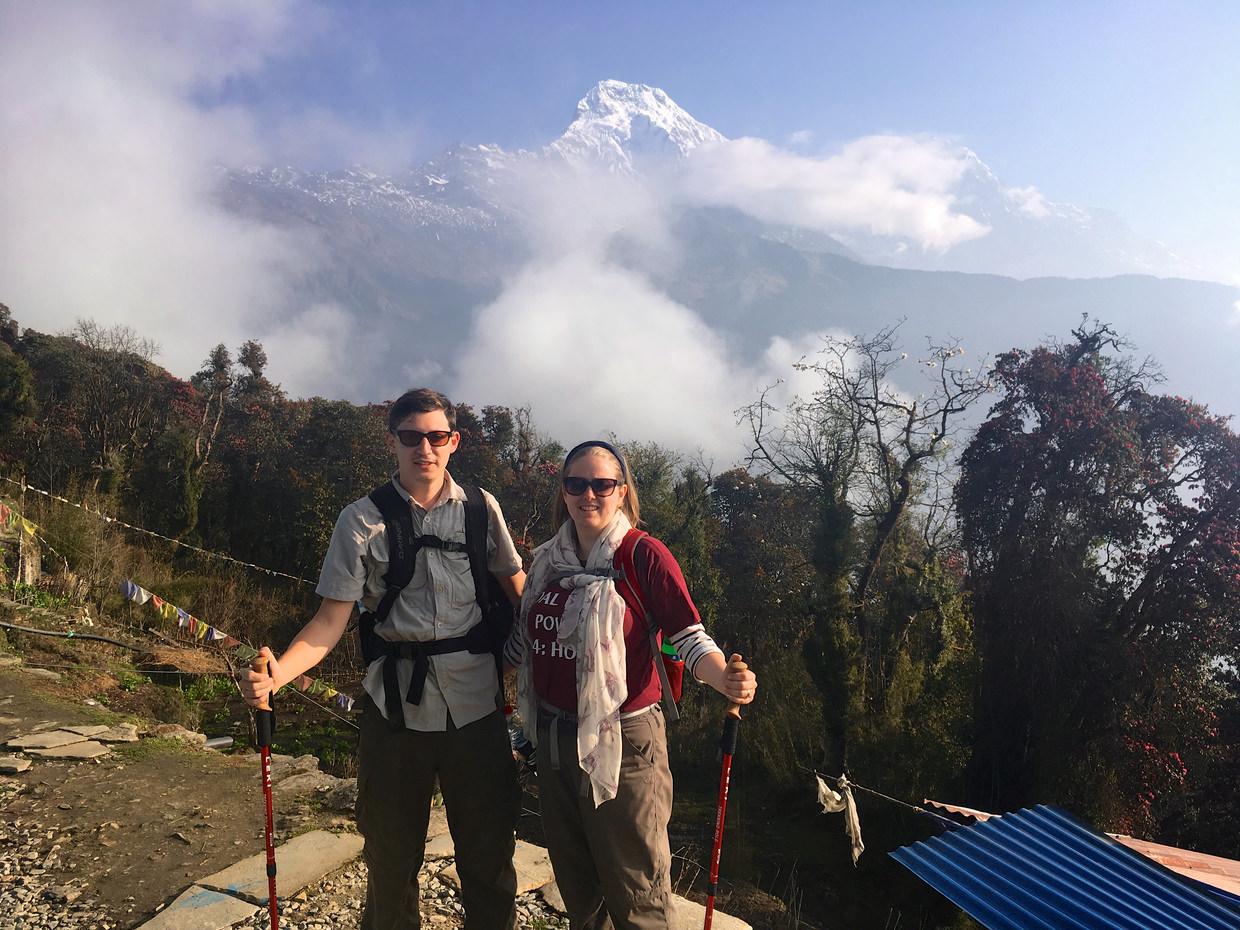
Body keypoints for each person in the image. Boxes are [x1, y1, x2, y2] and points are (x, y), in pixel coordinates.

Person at [241, 388, 524, 930]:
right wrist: (278, 675)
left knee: (489, 859)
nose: (425, 448)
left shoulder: (481, 511)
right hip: (395, 712)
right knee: (391, 863)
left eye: (437, 436)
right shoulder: (361, 521)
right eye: (412, 436)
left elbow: (522, 594)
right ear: (392, 441)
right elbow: (329, 621)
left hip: (478, 710)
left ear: (453, 442)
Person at [504, 440, 757, 930]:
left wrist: (724, 678)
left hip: (624, 740)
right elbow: (522, 639)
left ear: (622, 492)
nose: (589, 495)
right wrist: (482, 679)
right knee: (580, 890)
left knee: (638, 893)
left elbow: (689, 639)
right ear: (564, 490)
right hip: (554, 739)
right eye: (577, 484)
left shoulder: (643, 555)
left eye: (603, 485)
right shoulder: (546, 561)